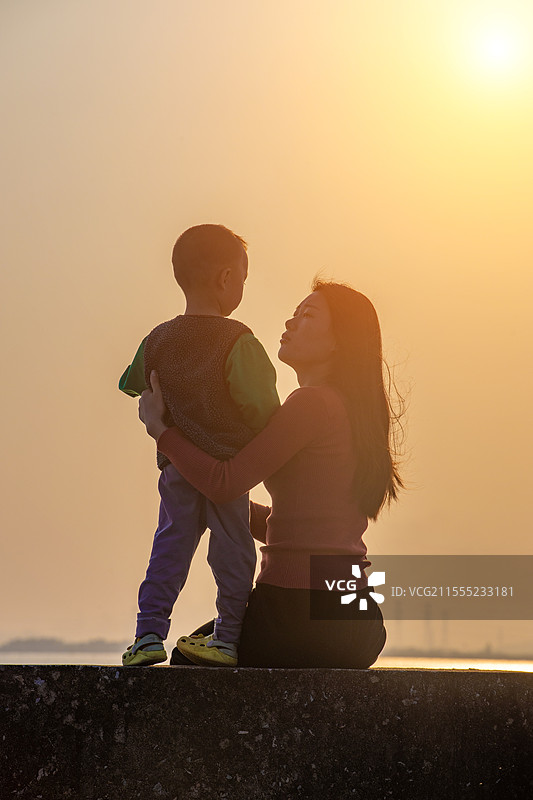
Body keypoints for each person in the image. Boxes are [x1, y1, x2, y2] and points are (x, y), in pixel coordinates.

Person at [138, 279, 404, 668]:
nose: (291, 322)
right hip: (359, 619)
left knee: (186, 661)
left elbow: (224, 482)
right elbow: (294, 527)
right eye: (294, 313)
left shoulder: (311, 403)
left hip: (296, 613)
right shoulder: (354, 413)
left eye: (308, 315)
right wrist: (220, 511)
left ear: (338, 341)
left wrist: (162, 431)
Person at [119, 224, 280, 667]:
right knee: (232, 555)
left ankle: (148, 634)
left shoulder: (157, 338)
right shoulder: (239, 340)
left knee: (168, 549)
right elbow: (263, 407)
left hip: (176, 470)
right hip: (226, 470)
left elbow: (132, 384)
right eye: (243, 279)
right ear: (227, 279)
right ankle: (227, 638)